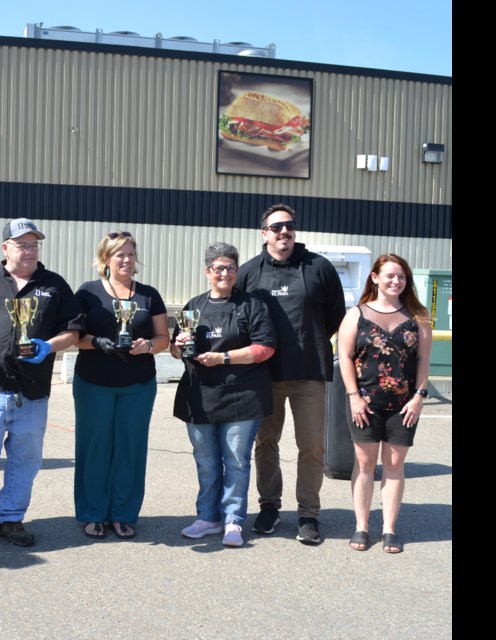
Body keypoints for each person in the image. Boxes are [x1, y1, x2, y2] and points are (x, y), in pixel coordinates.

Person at [0, 218, 83, 548]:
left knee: (25, 463)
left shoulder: (53, 285)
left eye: (34, 244)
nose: (29, 250)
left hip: (32, 393)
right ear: (5, 248)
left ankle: (10, 518)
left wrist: (50, 346)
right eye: (22, 244)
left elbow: (73, 330)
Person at [236, 203, 346, 545]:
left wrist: (308, 343)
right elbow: (238, 318)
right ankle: (269, 506)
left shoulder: (319, 268)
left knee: (312, 447)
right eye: (277, 226)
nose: (285, 231)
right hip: (262, 374)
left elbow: (336, 316)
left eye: (290, 226)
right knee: (265, 442)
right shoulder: (249, 272)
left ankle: (308, 514)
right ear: (264, 233)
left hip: (309, 373)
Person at [171, 243, 276, 547]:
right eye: (219, 268)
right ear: (207, 272)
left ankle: (233, 520)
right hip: (199, 395)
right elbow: (177, 351)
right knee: (205, 460)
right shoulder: (194, 305)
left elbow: (265, 348)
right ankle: (207, 517)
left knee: (236, 461)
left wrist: (223, 358)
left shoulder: (252, 305)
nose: (225, 273)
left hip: (243, 395)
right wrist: (178, 344)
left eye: (231, 267)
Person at [72, 231, 169, 540]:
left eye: (130, 254)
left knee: (130, 448)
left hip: (138, 385)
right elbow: (75, 337)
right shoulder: (87, 293)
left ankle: (124, 514)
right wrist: (97, 342)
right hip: (93, 383)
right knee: (94, 447)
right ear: (105, 260)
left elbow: (163, 338)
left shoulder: (149, 295)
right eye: (119, 255)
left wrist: (149, 346)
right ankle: (92, 514)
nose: (126, 260)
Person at [337, 254, 432, 554]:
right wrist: (354, 397)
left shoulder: (418, 317)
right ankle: (362, 526)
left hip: (404, 405)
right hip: (363, 404)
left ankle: (389, 529)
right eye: (390, 275)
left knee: (394, 465)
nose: (396, 281)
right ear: (375, 278)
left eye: (401, 276)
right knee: (365, 464)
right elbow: (345, 359)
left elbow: (423, 360)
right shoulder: (356, 314)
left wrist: (419, 397)